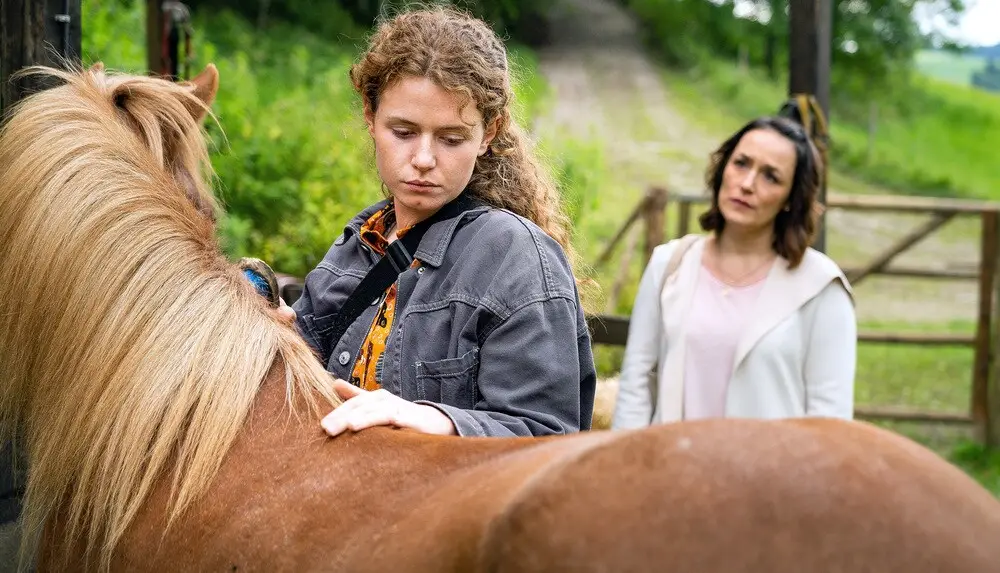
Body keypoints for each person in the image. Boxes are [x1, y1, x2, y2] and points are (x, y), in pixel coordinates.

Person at [286, 7, 596, 438]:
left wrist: (435, 420)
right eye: (403, 131)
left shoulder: (518, 258)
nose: (424, 160)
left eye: (452, 139)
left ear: (489, 133)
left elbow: (546, 437)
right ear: (369, 116)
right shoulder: (361, 239)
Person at [612, 116, 856, 429]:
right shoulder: (669, 265)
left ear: (790, 199)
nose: (747, 183)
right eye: (741, 163)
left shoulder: (821, 286)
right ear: (723, 167)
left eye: (771, 176)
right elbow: (636, 387)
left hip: (770, 476)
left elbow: (830, 422)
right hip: (671, 472)